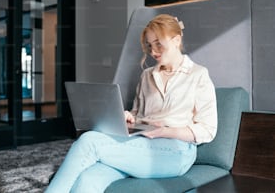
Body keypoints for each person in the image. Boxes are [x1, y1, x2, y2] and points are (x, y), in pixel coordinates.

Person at [45, 14, 217, 193]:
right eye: (149, 45)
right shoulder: (147, 75)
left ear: (176, 40)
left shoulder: (198, 74)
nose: (153, 52)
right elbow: (139, 114)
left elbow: (208, 129)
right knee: (88, 179)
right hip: (141, 144)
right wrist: (129, 117)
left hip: (176, 151)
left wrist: (166, 131)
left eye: (159, 44)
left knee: (89, 141)